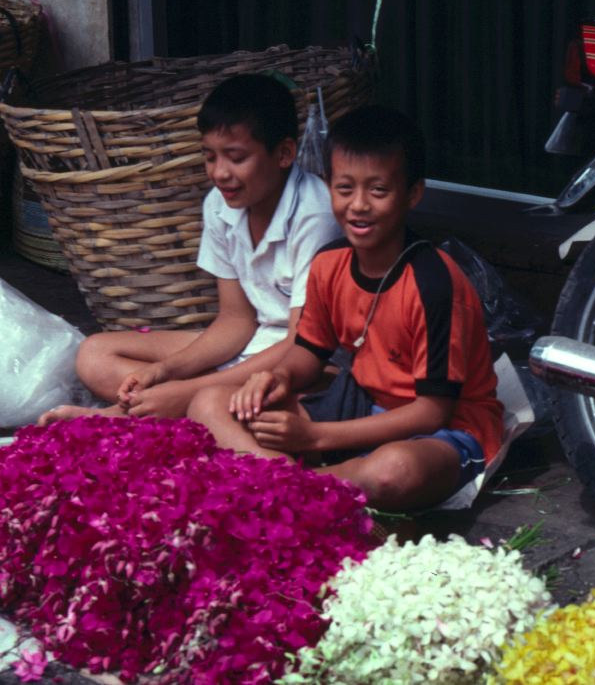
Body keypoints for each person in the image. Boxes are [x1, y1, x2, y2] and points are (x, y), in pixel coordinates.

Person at [186, 104, 504, 511]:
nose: (358, 205)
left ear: (413, 194)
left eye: (378, 190)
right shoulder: (329, 263)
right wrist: (277, 377)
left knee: (394, 472)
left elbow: (431, 412)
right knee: (208, 404)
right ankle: (301, 487)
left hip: (443, 430)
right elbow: (309, 353)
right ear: (328, 185)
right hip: (358, 403)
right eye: (344, 188)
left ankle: (285, 483)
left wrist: (314, 439)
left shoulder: (433, 283)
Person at [40, 73, 342, 423]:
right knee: (94, 354)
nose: (220, 173)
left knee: (291, 401)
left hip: (301, 361)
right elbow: (236, 320)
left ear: (284, 153)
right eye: (210, 157)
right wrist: (165, 372)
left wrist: (189, 390)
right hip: (251, 344)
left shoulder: (315, 214)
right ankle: (178, 405)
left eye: (236, 157)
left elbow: (302, 343)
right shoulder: (220, 204)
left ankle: (133, 413)